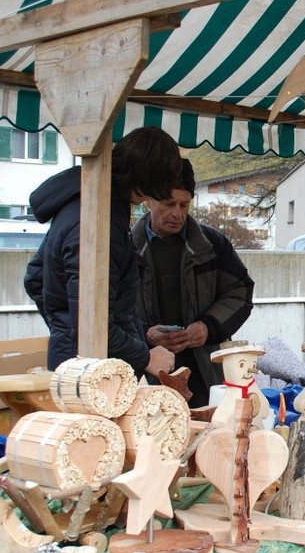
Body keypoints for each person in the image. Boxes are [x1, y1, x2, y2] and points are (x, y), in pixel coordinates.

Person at [24, 126, 180, 378]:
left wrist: (65, 327)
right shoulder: (100, 218)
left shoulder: (88, 201)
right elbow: (93, 324)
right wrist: (145, 356)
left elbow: (35, 278)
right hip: (90, 372)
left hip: (79, 362)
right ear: (152, 178)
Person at [131, 159, 256, 406]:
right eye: (169, 204)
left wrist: (209, 327)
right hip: (145, 377)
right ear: (148, 201)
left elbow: (240, 291)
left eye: (184, 204)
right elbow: (108, 311)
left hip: (206, 374)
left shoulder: (213, 244)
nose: (177, 213)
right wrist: (144, 334)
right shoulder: (125, 249)